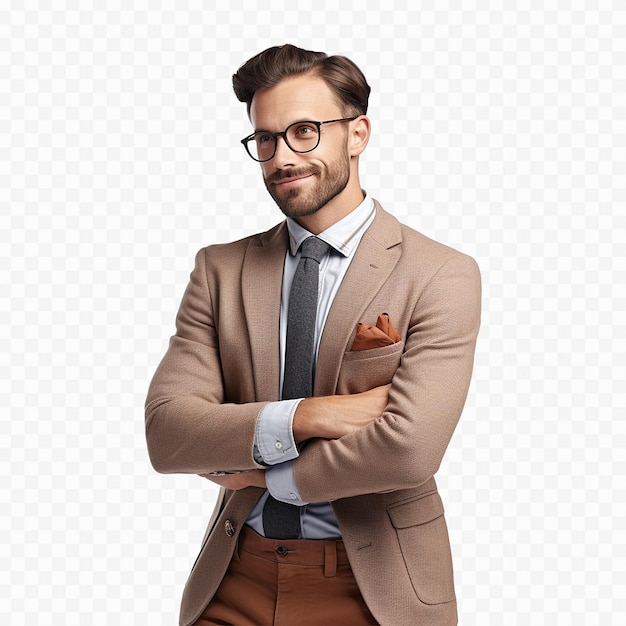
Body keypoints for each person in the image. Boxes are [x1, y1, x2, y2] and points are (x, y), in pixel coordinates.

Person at [145, 43, 481, 626]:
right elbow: (169, 432)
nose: (282, 157)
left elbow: (410, 448)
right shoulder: (219, 270)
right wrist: (313, 416)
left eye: (304, 131)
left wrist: (267, 473)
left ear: (358, 134)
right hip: (233, 578)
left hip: (373, 583)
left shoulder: (440, 273)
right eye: (266, 139)